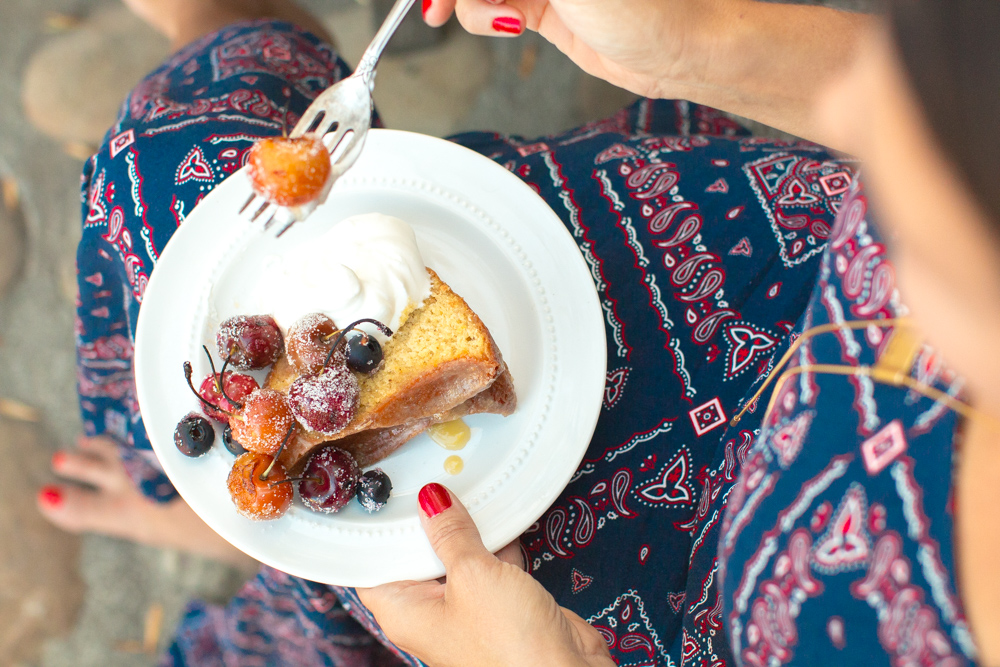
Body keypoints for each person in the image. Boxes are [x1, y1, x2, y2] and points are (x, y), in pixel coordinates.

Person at [36, 0, 1000, 665]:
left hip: (650, 607)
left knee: (348, 558)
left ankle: (229, 529)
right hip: (751, 281)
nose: (875, 240)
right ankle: (194, 474)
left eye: (912, 235)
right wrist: (694, 40)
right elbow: (890, 107)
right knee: (176, 160)